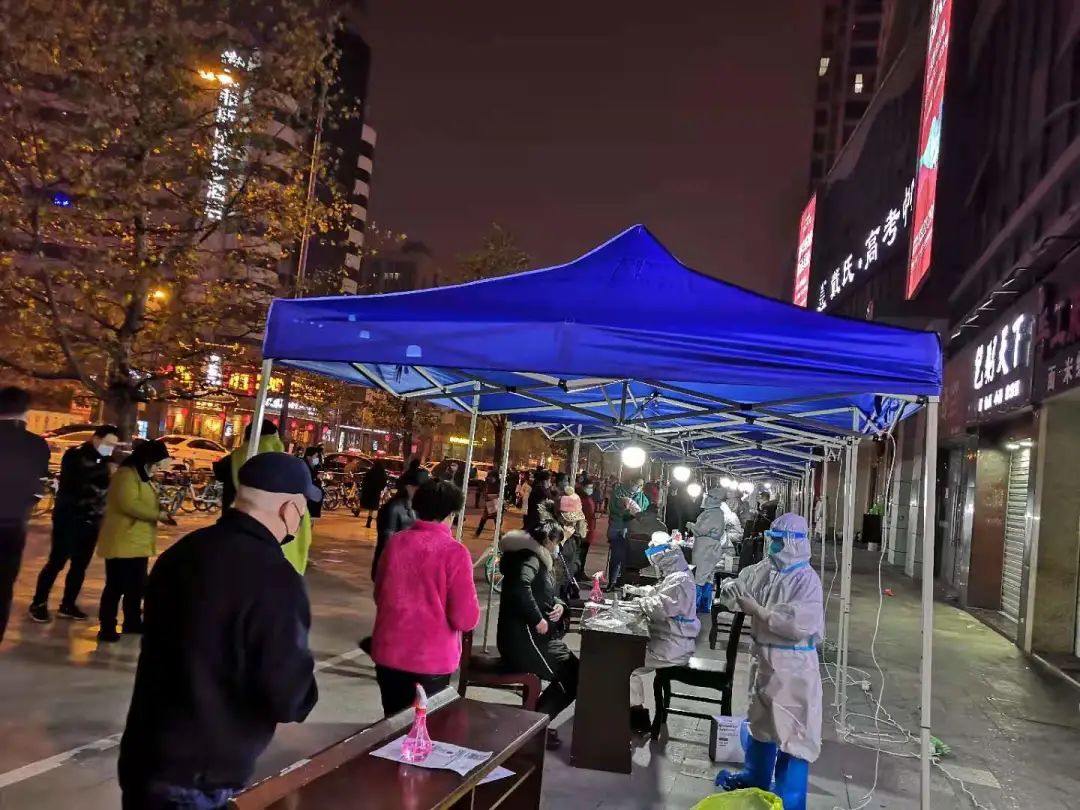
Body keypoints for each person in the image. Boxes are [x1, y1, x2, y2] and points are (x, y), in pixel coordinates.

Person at [118, 452, 320, 810]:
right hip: (200, 775)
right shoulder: (276, 579)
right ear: (290, 510)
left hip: (145, 754)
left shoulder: (182, 552)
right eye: (303, 509)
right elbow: (287, 694)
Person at [715, 514, 823, 810]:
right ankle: (756, 778)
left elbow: (800, 624)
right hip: (764, 662)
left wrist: (760, 612)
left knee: (793, 734)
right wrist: (731, 589)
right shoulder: (766, 570)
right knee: (760, 724)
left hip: (793, 669)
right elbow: (740, 585)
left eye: (778, 541)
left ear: (793, 543)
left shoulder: (806, 580)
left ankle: (789, 800)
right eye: (771, 540)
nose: (773, 546)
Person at [371, 479, 479, 716]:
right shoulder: (455, 553)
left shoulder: (395, 543)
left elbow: (380, 594)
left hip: (389, 654)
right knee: (424, 729)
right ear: (451, 514)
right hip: (431, 661)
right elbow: (465, 618)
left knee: (392, 724)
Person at [497, 521, 579, 750]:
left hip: (538, 639)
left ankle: (535, 724)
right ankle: (532, 729)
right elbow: (520, 588)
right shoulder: (530, 559)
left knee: (576, 673)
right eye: (557, 542)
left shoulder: (538, 559)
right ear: (547, 540)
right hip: (526, 641)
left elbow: (547, 593)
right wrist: (537, 619)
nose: (558, 547)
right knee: (573, 677)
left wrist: (560, 605)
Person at [30, 424, 120, 623]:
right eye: (108, 443)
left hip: (92, 520)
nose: (110, 448)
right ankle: (38, 603)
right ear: (96, 438)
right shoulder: (75, 455)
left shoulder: (107, 460)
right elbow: (77, 482)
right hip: (69, 518)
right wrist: (104, 472)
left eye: (113, 445)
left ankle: (68, 604)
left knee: (80, 565)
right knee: (57, 562)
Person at [96, 439, 173, 643]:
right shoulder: (126, 476)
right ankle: (107, 626)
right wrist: (157, 515)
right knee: (116, 586)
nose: (157, 469)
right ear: (147, 460)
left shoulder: (142, 477)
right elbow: (129, 504)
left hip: (136, 542)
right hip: (122, 540)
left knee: (136, 587)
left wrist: (160, 510)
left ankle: (132, 622)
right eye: (156, 464)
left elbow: (144, 502)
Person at [623, 533, 700, 734]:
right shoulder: (678, 575)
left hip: (672, 646)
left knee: (626, 666)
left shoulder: (680, 581)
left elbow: (660, 608)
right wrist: (638, 592)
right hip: (671, 641)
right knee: (627, 658)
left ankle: (637, 718)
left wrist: (638, 603)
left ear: (665, 557)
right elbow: (659, 592)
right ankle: (633, 712)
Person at [215, 420, 311, 575]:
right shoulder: (282, 464)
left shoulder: (234, 458)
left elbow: (218, 471)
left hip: (232, 534)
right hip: (279, 553)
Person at [0, 387, 50, 643]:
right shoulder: (36, 445)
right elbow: (38, 489)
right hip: (13, 526)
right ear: (25, 412)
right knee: (3, 587)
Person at [686, 489, 742, 613]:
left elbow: (701, 530)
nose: (705, 498)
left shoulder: (713, 514)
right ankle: (704, 606)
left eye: (708, 496)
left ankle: (695, 606)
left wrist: (690, 525)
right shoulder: (716, 513)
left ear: (714, 499)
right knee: (707, 577)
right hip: (709, 547)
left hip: (705, 548)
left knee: (699, 576)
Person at [371, 461, 429, 580]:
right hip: (394, 572)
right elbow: (387, 544)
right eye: (419, 488)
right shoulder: (393, 508)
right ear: (409, 487)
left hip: (410, 570)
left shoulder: (418, 508)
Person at [606, 474, 649, 589]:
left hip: (633, 530)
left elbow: (644, 510)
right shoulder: (618, 493)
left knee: (629, 557)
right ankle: (612, 581)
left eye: (641, 485)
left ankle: (623, 581)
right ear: (631, 482)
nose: (638, 487)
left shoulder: (642, 498)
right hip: (618, 528)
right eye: (637, 484)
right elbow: (613, 509)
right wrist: (624, 512)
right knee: (616, 555)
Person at [575, 477, 598, 577]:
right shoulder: (580, 498)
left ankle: (580, 572)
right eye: (588, 487)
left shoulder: (588, 498)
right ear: (583, 487)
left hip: (589, 528)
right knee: (580, 553)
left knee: (583, 553)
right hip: (582, 529)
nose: (590, 489)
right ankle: (578, 573)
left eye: (591, 487)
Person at [359, 459, 388, 528]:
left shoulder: (371, 471)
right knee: (373, 508)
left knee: (368, 506)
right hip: (376, 492)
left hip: (369, 491)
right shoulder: (382, 473)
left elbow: (365, 480)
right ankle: (369, 520)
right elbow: (384, 482)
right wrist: (380, 489)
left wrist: (365, 488)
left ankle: (361, 513)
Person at [474, 471, 502, 536]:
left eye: (491, 477)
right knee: (485, 517)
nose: (490, 478)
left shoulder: (499, 484)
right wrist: (485, 495)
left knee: (495, 518)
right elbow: (484, 491)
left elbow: (500, 494)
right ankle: (478, 532)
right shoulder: (487, 483)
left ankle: (498, 534)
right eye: (489, 477)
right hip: (489, 502)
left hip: (495, 502)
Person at [303, 446, 324, 520]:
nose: (316, 458)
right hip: (309, 497)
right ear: (309, 456)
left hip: (314, 497)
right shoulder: (304, 465)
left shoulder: (314, 465)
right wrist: (316, 476)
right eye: (315, 456)